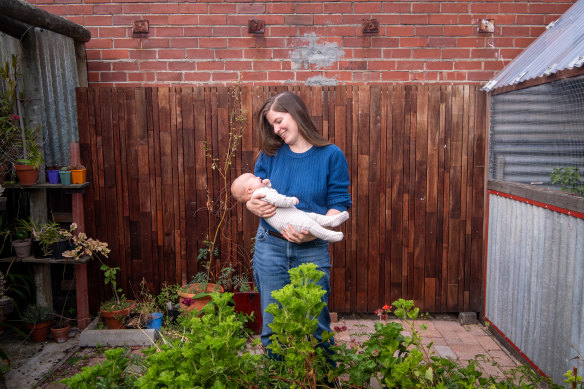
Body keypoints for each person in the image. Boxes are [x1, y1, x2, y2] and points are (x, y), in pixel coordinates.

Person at [244, 91, 352, 355]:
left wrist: (313, 232)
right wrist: (250, 203)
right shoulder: (269, 155)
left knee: (317, 326)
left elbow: (339, 202)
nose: (277, 129)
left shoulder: (330, 155)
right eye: (272, 125)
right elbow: (253, 192)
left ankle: (324, 381)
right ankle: (279, 382)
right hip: (270, 248)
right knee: (272, 328)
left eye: (279, 121)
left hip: (312, 249)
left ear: (297, 113)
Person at [231, 172, 350, 242]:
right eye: (254, 178)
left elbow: (272, 193)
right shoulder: (260, 193)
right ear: (250, 189)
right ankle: (328, 235)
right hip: (290, 222)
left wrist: (267, 184)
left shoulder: (261, 192)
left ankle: (331, 220)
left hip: (291, 218)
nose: (258, 177)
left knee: (312, 217)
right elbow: (277, 199)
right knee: (309, 223)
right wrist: (291, 201)